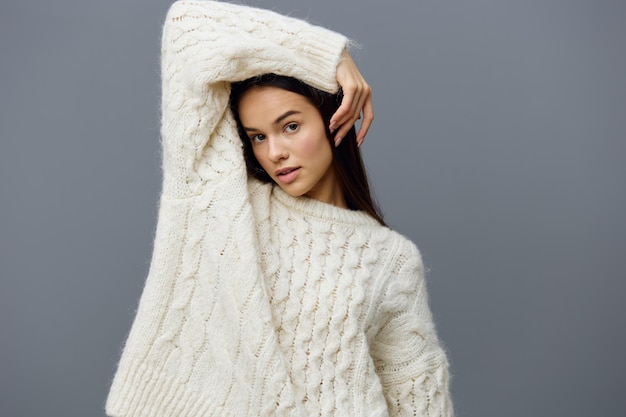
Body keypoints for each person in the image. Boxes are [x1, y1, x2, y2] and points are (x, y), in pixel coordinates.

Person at [106, 1, 453, 417]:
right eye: (256, 136)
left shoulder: (393, 258)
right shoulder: (226, 201)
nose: (275, 153)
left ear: (333, 116)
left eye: (290, 126)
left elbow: (416, 391)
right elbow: (187, 23)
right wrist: (330, 56)